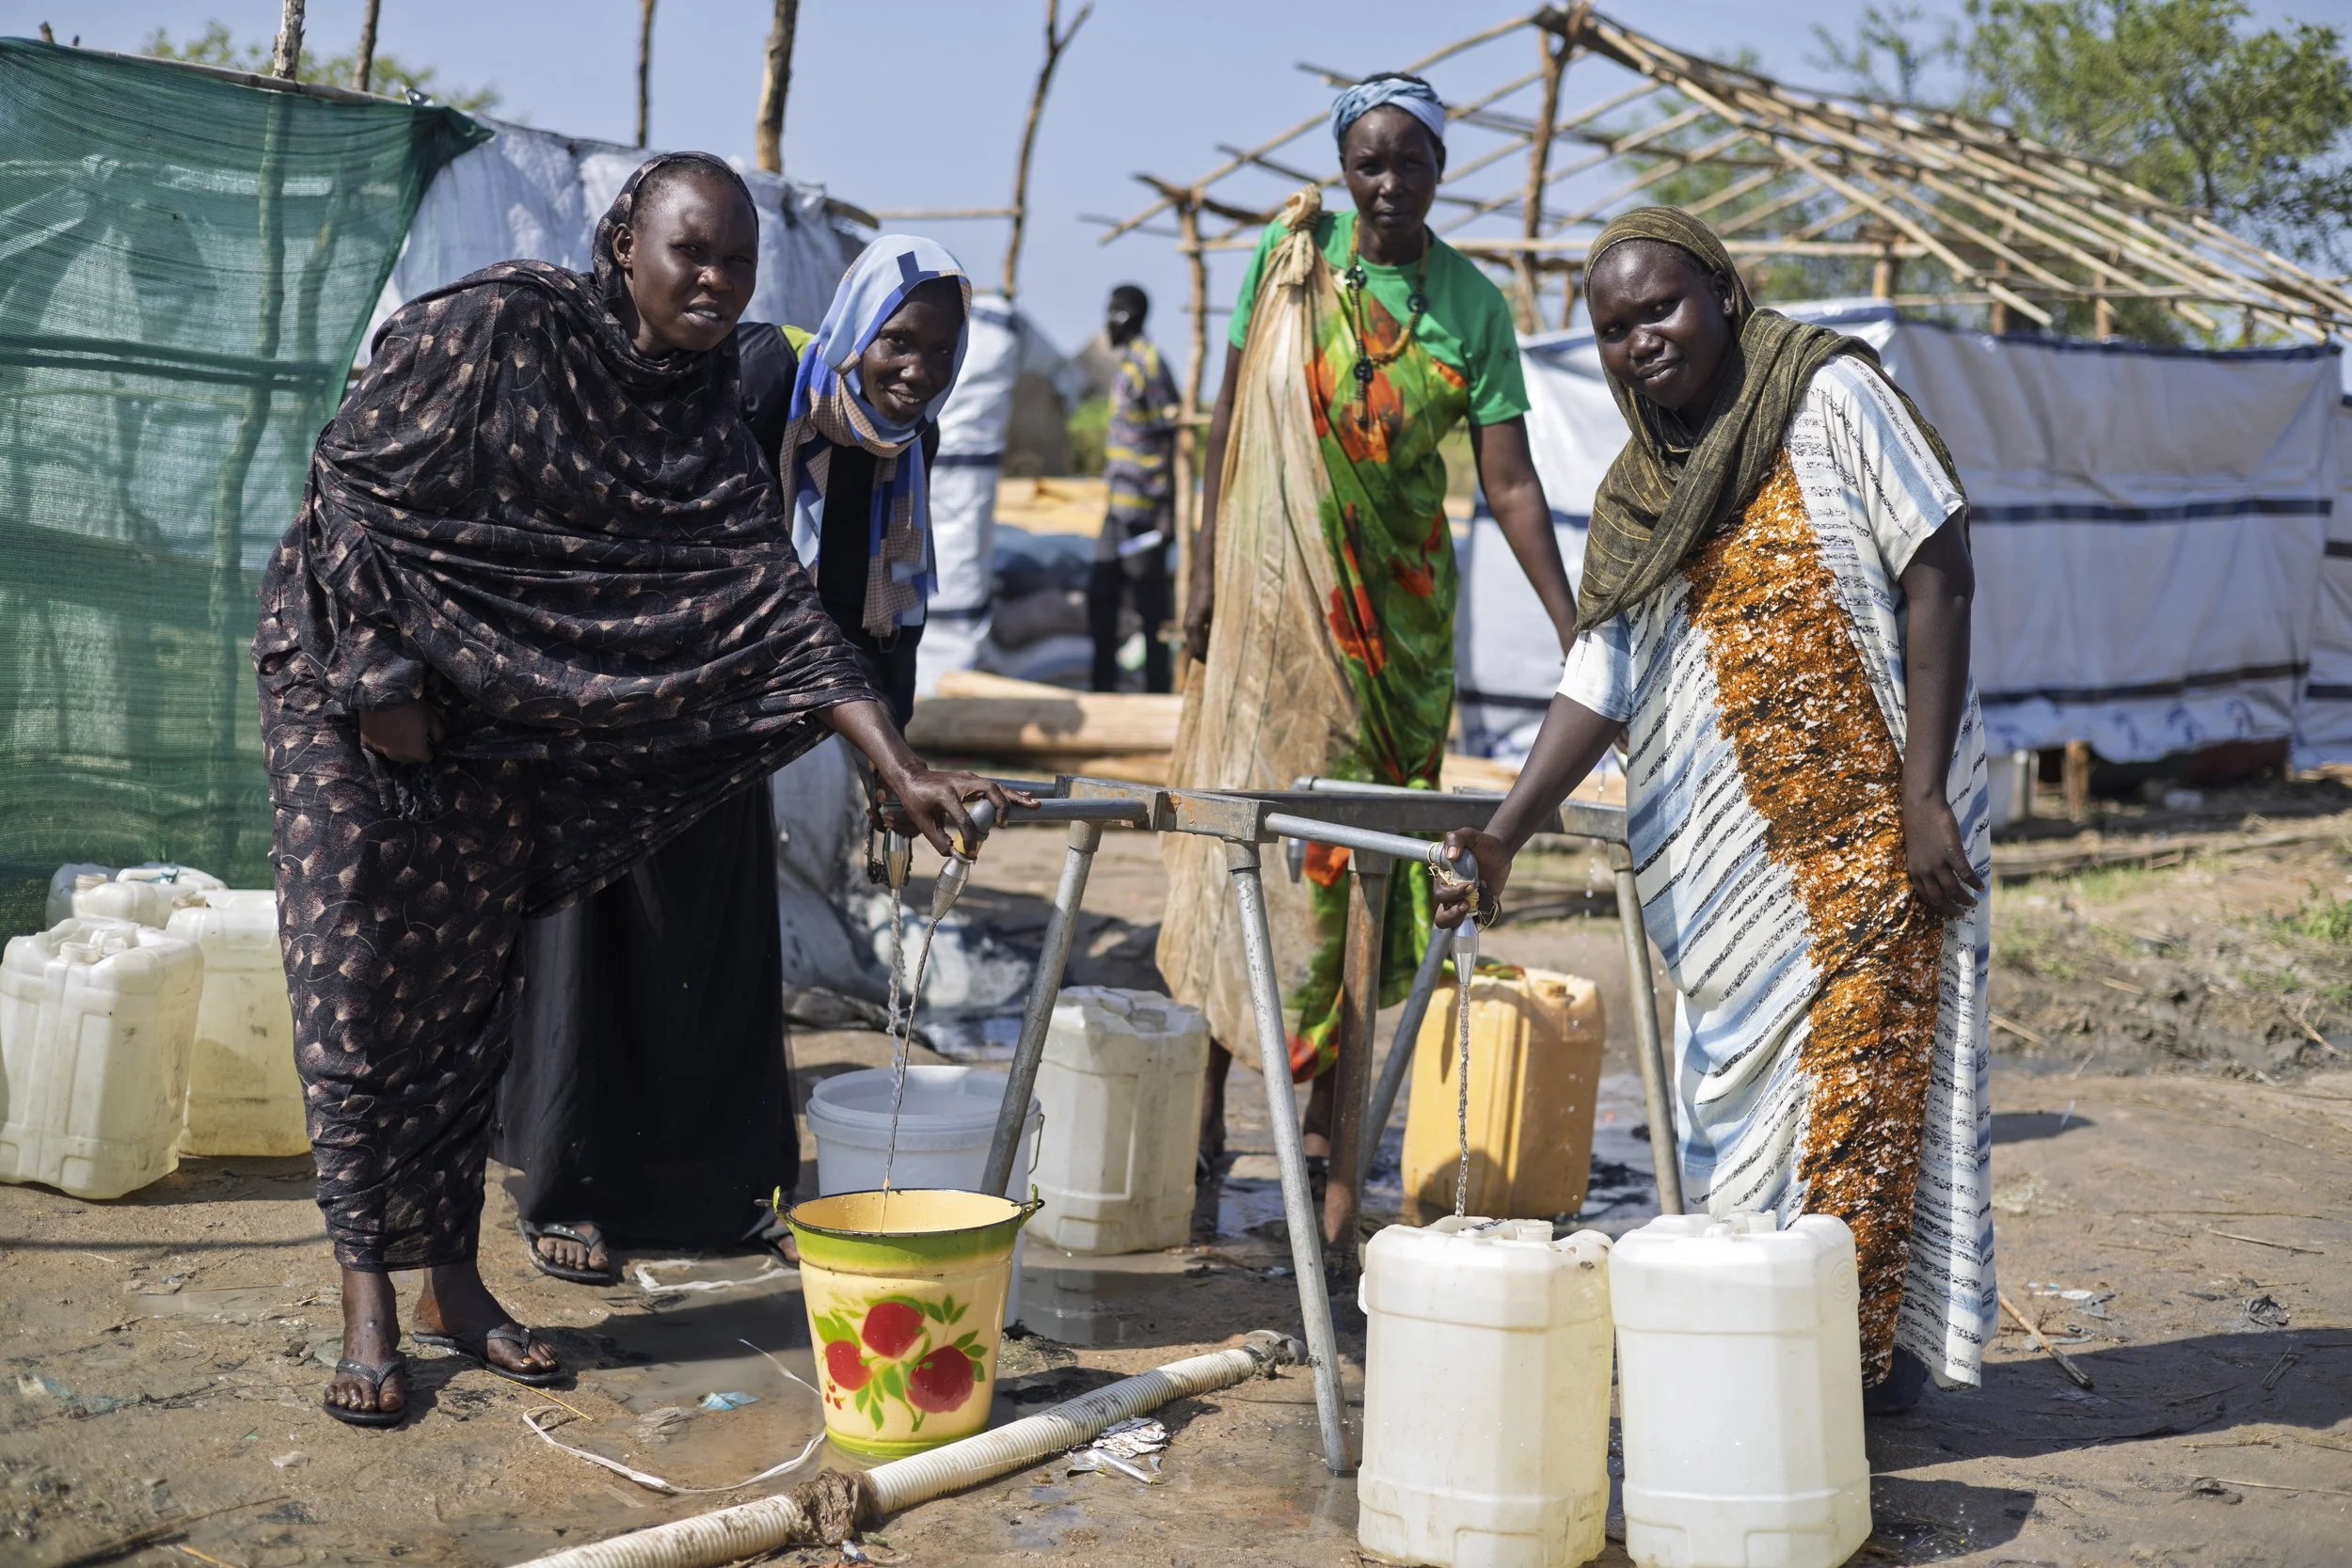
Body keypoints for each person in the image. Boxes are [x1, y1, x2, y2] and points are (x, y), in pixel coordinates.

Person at [255, 152, 1019, 1427]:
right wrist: (376, 671)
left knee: (466, 990)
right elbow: (347, 482)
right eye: (691, 253)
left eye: (736, 261)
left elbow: (764, 592)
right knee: (363, 980)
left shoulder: (702, 397)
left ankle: (450, 1278)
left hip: (495, 703)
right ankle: (366, 1303)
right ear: (626, 245)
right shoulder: (505, 322)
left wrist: (898, 763)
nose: (715, 281)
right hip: (346, 675)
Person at [1431, 206, 1994, 1414]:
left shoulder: (1827, 395)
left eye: (1662, 309)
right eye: (1613, 328)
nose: (1640, 341)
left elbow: (1937, 560)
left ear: (1726, 296)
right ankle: (1799, 1362)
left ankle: (1840, 1375)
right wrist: (1500, 829)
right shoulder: (1640, 492)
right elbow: (1602, 673)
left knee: (1866, 1099)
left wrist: (1923, 792)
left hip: (1887, 834)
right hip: (1749, 873)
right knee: (1753, 1128)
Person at [500, 237, 973, 1287]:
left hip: (736, 717)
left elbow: (878, 618)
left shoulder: (905, 443)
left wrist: (890, 774)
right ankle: (567, 1188)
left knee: (713, 953)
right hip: (622, 687)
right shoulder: (761, 375)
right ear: (856, 324)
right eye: (897, 340)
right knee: (597, 946)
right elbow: (729, 563)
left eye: (940, 352)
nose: (916, 369)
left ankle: (727, 1193)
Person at [1161, 73, 1578, 1179]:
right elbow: (1231, 418)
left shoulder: (1474, 306)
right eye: (1368, 163)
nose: (1389, 183)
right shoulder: (1289, 259)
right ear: (1344, 168)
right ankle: (1204, 1108)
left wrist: (1574, 622)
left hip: (1395, 632)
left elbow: (1511, 483)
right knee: (1238, 838)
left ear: (1443, 168)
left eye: (1412, 162)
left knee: (1355, 866)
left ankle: (1327, 1145)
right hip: (1268, 616)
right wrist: (1200, 568)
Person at [1089, 284, 1180, 693]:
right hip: (1118, 506)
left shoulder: (1150, 364)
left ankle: (1157, 691)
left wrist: (1166, 510)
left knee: (1150, 604)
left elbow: (1170, 436)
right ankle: (1103, 688)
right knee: (1101, 595)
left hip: (1145, 507)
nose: (1106, 319)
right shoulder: (1128, 366)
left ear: (1128, 316)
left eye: (1112, 311)